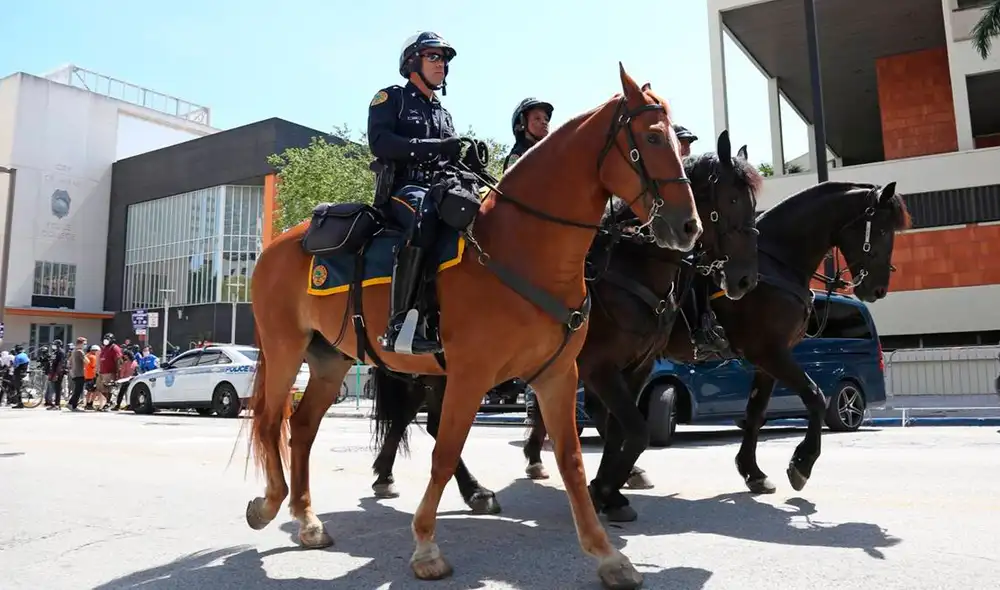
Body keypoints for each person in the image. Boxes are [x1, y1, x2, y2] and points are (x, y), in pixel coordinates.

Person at [367, 31, 462, 356]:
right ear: (412, 62)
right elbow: (380, 142)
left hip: (440, 187)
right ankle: (399, 324)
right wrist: (434, 146)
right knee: (427, 216)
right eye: (433, 57)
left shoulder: (443, 113)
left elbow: (449, 156)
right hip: (404, 188)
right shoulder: (391, 98)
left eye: (444, 59)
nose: (441, 65)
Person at [671, 124, 729, 355]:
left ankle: (708, 322)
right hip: (665, 240)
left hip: (688, 240)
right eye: (682, 142)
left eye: (688, 144)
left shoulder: (691, 173)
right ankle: (696, 330)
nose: (686, 148)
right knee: (687, 269)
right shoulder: (665, 172)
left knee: (706, 269)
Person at [502, 98, 553, 172]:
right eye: (537, 118)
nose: (544, 122)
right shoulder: (518, 156)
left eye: (546, 119)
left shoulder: (551, 154)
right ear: (523, 123)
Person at [97, 333, 122, 411]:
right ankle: (108, 402)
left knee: (108, 388)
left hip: (110, 372)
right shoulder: (105, 348)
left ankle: (109, 403)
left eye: (108, 338)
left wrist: (118, 372)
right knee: (100, 388)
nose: (106, 340)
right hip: (102, 372)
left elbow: (119, 360)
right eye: (105, 338)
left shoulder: (115, 348)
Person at [67, 337, 88, 411]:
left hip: (74, 373)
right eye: (84, 344)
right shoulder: (80, 351)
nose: (85, 345)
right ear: (81, 343)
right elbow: (87, 361)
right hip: (79, 373)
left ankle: (70, 403)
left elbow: (69, 361)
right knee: (78, 391)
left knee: (77, 390)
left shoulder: (73, 351)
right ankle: (74, 406)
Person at [45, 340, 66, 410]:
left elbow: (60, 364)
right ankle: (54, 404)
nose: (53, 345)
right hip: (54, 372)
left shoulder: (61, 352)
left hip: (58, 373)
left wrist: (56, 374)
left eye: (54, 344)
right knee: (55, 389)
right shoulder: (55, 352)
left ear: (58, 345)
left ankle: (57, 405)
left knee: (58, 389)